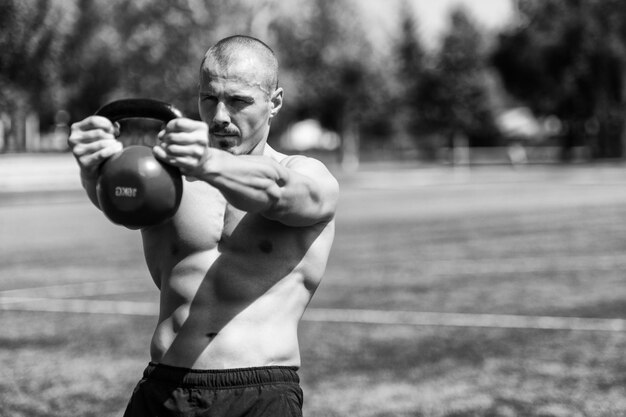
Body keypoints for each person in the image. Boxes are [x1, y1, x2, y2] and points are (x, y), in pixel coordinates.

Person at [68, 35, 339, 417]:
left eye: (239, 101)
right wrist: (90, 167)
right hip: (164, 389)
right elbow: (114, 199)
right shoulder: (169, 175)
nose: (220, 117)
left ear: (274, 102)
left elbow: (274, 192)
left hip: (260, 392)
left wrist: (207, 164)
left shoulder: (306, 174)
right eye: (209, 99)